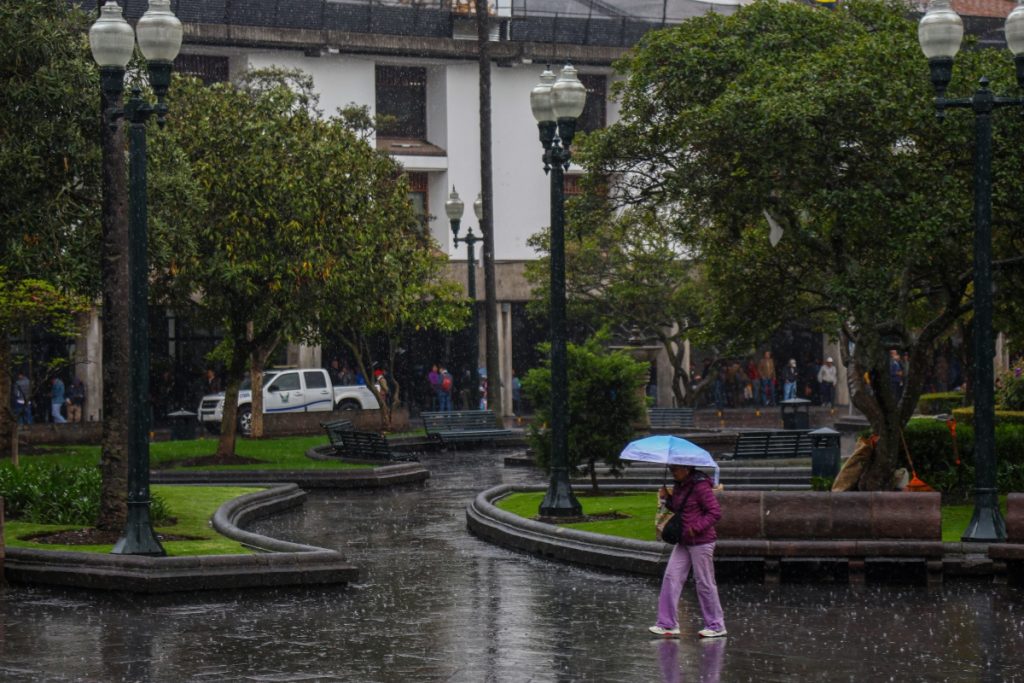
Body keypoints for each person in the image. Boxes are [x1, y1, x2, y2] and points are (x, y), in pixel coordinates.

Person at [649, 464, 727, 639]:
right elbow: (680, 509)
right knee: (671, 577)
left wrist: (696, 528)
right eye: (671, 469)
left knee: (704, 582)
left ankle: (716, 625)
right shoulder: (680, 485)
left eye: (675, 469)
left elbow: (714, 512)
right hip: (683, 541)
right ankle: (667, 624)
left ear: (686, 468)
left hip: (701, 541)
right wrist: (666, 499)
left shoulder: (700, 486)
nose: (672, 472)